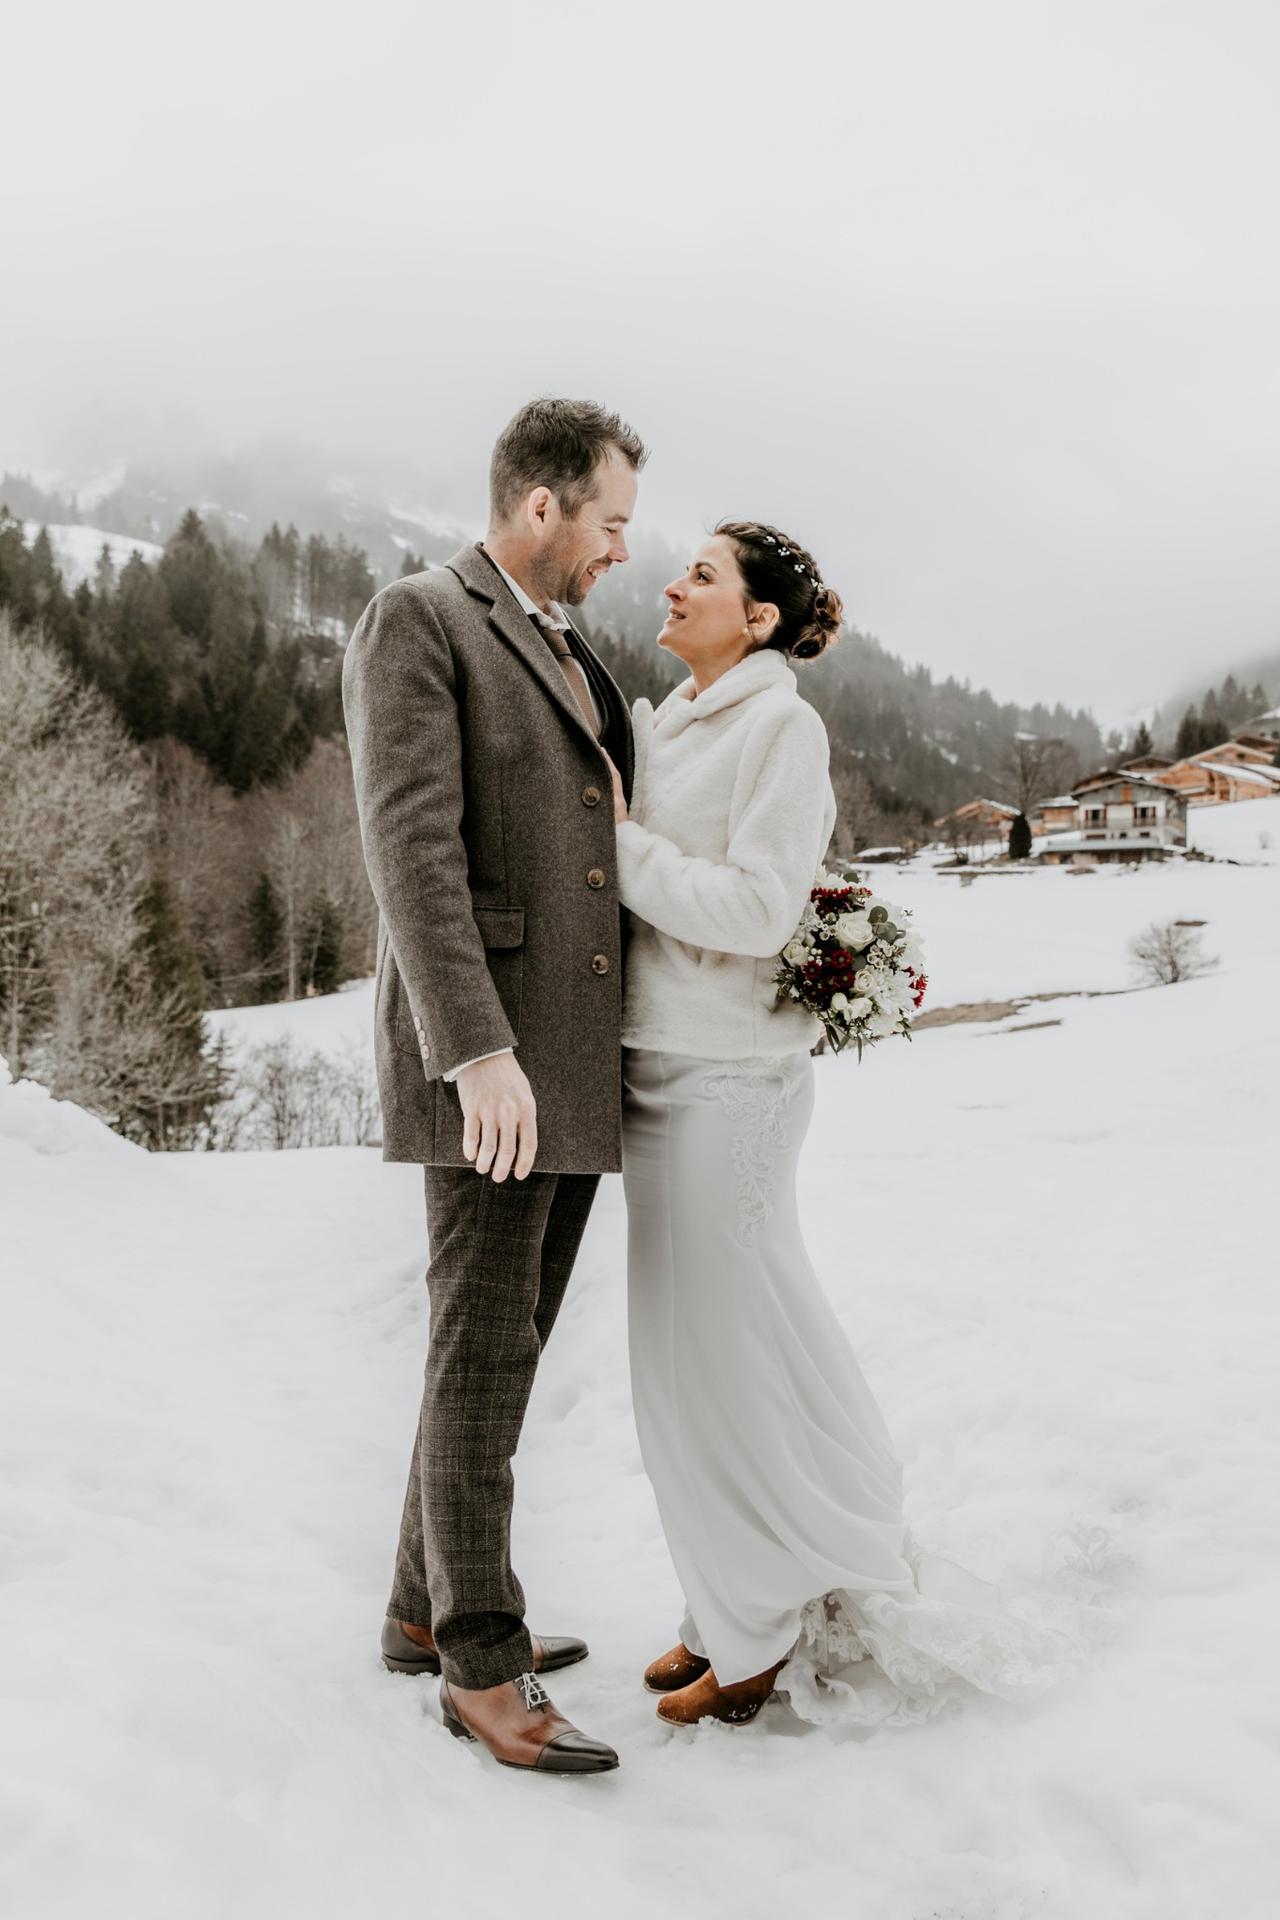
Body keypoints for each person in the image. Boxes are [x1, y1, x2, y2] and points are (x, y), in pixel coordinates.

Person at [608, 522, 1064, 1729]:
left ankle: (760, 1626)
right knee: (682, 1359)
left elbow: (760, 910)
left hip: (728, 1081)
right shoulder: (672, 714)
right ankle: (728, 1598)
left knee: (726, 1349)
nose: (671, 581)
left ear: (757, 620)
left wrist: (614, 845)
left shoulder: (779, 726)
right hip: (656, 1069)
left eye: (701, 574)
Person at [343, 397, 645, 1775]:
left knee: (503, 1344)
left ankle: (420, 1605)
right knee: (480, 1350)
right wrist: (475, 1052)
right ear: (544, 506)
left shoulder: (570, 650)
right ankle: (478, 1654)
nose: (622, 552)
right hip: (497, 1067)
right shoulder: (421, 617)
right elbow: (413, 849)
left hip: (574, 1062)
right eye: (614, 523)